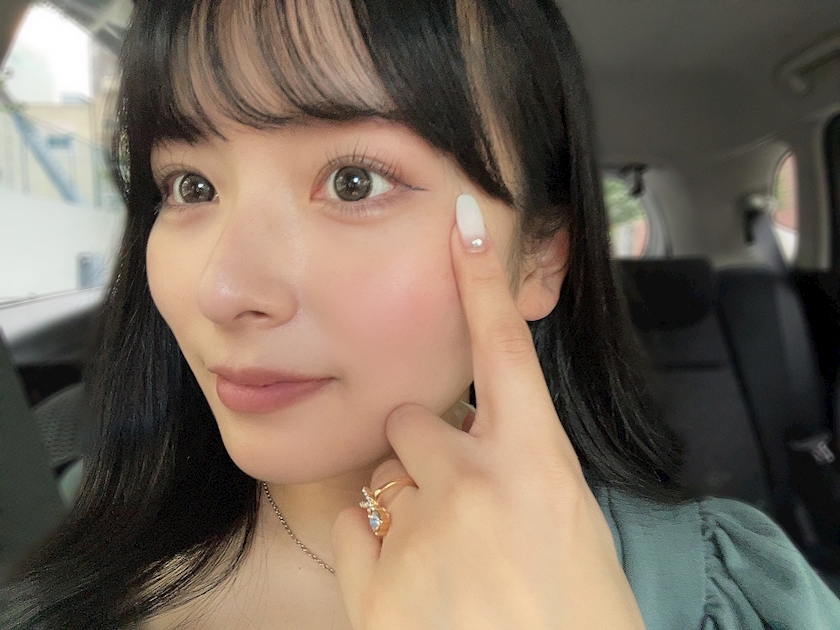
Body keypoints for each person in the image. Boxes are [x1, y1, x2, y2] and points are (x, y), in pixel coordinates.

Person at [3, 0, 839, 627]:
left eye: (354, 181)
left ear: (540, 257)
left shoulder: (732, 593)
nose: (222, 290)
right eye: (190, 186)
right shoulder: (63, 574)